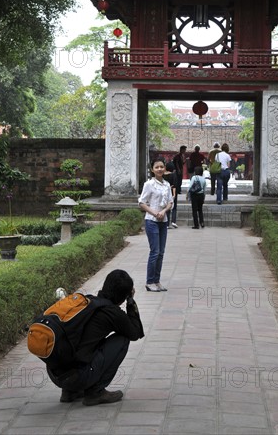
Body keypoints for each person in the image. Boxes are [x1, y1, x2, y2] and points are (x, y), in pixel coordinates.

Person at [47, 269, 144, 406]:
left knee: (86, 345)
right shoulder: (113, 313)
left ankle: (70, 392)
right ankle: (95, 392)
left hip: (55, 374)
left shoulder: (87, 302)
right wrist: (131, 301)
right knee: (122, 340)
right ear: (123, 295)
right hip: (76, 377)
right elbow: (135, 333)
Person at [139, 157, 173, 292]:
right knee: (155, 252)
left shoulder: (167, 184)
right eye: (157, 167)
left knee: (161, 253)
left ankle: (157, 280)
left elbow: (170, 202)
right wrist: (154, 213)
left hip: (163, 221)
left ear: (165, 168)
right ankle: (149, 281)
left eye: (161, 167)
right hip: (151, 221)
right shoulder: (149, 185)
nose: (159, 169)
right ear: (152, 170)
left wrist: (164, 211)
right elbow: (141, 202)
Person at [163, 161, 178, 228]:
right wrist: (174, 194)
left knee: (167, 207)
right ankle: (173, 221)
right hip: (171, 192)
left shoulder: (163, 175)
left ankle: (167, 223)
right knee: (174, 207)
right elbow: (174, 185)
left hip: (164, 192)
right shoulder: (173, 175)